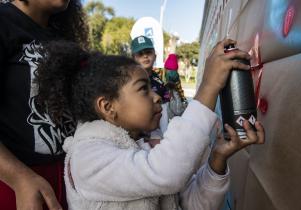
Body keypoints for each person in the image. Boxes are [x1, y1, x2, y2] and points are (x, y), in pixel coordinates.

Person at [35, 39, 265, 210]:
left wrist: (216, 159)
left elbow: (192, 205)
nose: (156, 97)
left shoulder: (142, 147)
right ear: (108, 107)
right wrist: (208, 87)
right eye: (143, 89)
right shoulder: (87, 159)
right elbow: (167, 172)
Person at [0, 0, 88, 209]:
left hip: (70, 183)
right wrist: (19, 178)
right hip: (15, 188)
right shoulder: (4, 21)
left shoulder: (64, 37)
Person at [131, 35, 170, 136]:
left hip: (158, 131)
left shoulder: (159, 80)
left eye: (148, 52)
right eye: (140, 54)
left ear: (155, 55)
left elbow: (166, 105)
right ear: (133, 58)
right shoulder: (129, 81)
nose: (145, 56)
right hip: (136, 133)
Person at [164, 53, 188, 118]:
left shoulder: (162, 73)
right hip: (170, 96)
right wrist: (184, 99)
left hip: (168, 98)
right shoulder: (176, 76)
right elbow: (179, 89)